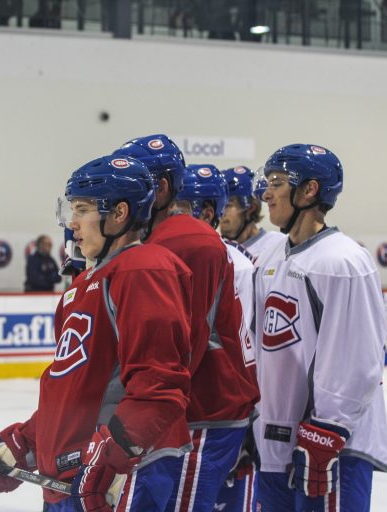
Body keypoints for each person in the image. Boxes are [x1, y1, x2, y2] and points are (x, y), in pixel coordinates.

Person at [0, 155, 194, 511]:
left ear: (119, 214)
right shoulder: (84, 284)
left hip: (121, 476)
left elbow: (159, 387)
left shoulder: (142, 270)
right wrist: (22, 446)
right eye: (71, 209)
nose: (72, 223)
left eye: (83, 209)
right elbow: (73, 391)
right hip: (75, 478)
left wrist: (112, 456)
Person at [113, 136, 259, 512]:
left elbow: (184, 346)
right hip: (177, 413)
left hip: (204, 414)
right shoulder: (151, 238)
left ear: (160, 188)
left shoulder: (191, 241)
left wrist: (136, 417)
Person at [251, 143, 387, 511]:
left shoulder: (343, 261)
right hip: (278, 444)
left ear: (309, 190)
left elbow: (357, 357)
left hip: (331, 448)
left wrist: (328, 429)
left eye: (277, 182)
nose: (266, 193)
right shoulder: (269, 256)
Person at [170, 163, 259, 512]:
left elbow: (245, 345)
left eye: (181, 208)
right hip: (185, 413)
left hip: (209, 413)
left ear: (207, 211)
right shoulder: (175, 251)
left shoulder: (234, 261)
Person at [220, 165, 286, 265]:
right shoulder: (217, 247)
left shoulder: (277, 244)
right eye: (220, 206)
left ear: (251, 208)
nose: (221, 213)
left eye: (228, 205)